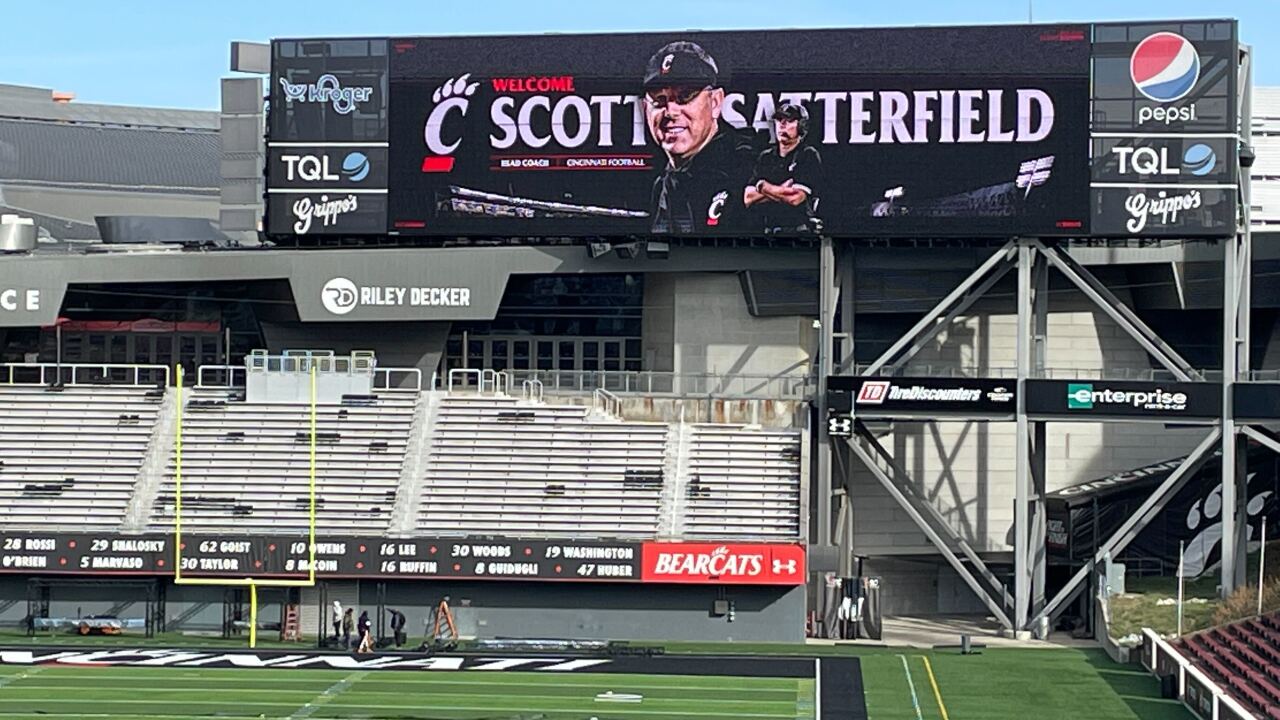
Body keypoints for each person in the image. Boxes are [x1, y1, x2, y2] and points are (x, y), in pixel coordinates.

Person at [643, 40, 755, 234]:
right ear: (645, 109)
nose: (670, 111)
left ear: (715, 102)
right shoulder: (663, 185)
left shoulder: (746, 167)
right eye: (659, 100)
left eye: (685, 96)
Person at [744, 103, 824, 234]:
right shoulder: (766, 157)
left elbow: (795, 198)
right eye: (779, 120)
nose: (782, 125)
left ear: (801, 126)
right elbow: (748, 197)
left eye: (789, 121)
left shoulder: (807, 154)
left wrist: (764, 187)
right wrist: (783, 189)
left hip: (799, 232)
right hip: (768, 233)